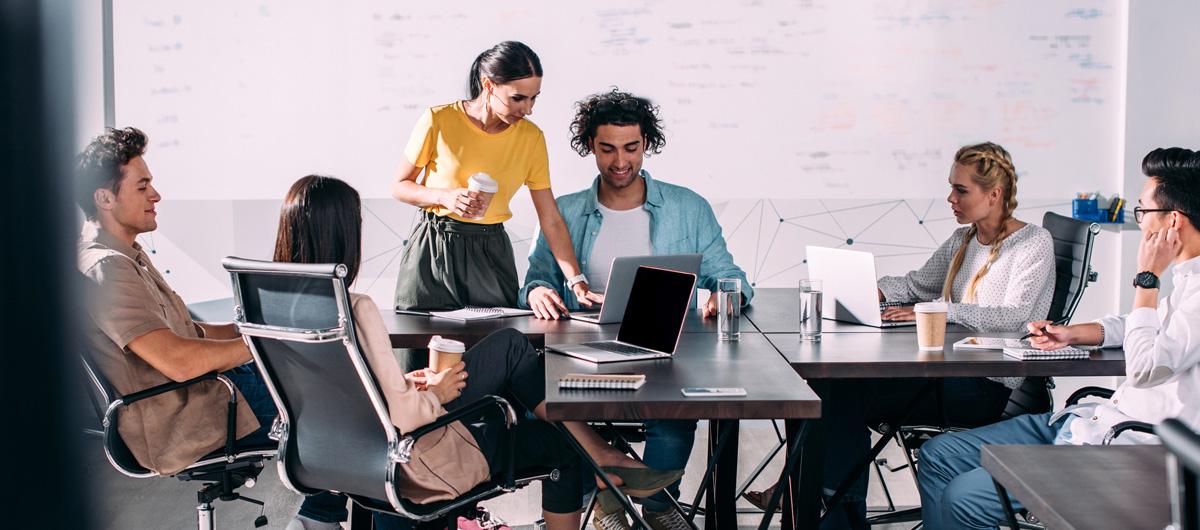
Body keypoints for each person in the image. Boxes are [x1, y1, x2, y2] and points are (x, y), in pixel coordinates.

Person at [274, 175, 683, 530]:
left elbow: (347, 393)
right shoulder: (355, 308)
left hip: (326, 458)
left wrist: (408, 383)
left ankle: (601, 455)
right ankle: (600, 457)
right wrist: (436, 392)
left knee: (509, 349)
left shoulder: (274, 306)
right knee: (537, 403)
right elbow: (399, 418)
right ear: (345, 235)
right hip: (407, 457)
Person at [747, 142, 1056, 528]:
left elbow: (1015, 318)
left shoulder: (1032, 243)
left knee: (841, 391)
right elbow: (918, 284)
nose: (950, 198)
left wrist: (937, 311)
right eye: (951, 187)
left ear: (993, 194)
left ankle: (822, 507)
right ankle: (810, 498)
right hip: (949, 372)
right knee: (827, 385)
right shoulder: (965, 240)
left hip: (984, 385)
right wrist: (875, 290)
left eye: (960, 190)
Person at [74, 127, 348, 530]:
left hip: (199, 393)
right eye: (143, 185)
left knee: (327, 387)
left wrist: (256, 327)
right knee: (339, 406)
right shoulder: (107, 268)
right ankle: (317, 522)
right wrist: (264, 342)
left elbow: (188, 334)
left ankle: (317, 519)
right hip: (182, 413)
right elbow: (179, 361)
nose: (156, 195)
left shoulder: (125, 255)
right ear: (105, 198)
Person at [915, 147, 1200, 530]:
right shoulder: (1186, 283)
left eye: (1142, 212)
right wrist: (1075, 333)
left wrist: (1147, 277)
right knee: (939, 455)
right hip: (1090, 422)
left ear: (1173, 222)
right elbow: (1143, 322)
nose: (1140, 222)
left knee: (965, 498)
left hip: (1127, 451)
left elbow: (1148, 366)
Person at [518, 88, 752, 529]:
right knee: (552, 401)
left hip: (664, 352)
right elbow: (535, 281)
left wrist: (728, 293)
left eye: (631, 148)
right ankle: (614, 502)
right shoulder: (563, 212)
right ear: (591, 147)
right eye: (607, 149)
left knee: (676, 404)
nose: (620, 161)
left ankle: (657, 505)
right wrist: (535, 293)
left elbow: (730, 275)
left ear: (647, 144)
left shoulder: (688, 208)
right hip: (582, 351)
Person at [390, 41, 598, 311]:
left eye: (534, 98)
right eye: (518, 98)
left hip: (491, 252)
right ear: (488, 85)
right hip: (433, 248)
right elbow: (399, 186)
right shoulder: (438, 120)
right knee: (418, 346)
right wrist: (444, 197)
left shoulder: (531, 138)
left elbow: (551, 219)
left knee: (492, 347)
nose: (528, 109)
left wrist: (576, 281)